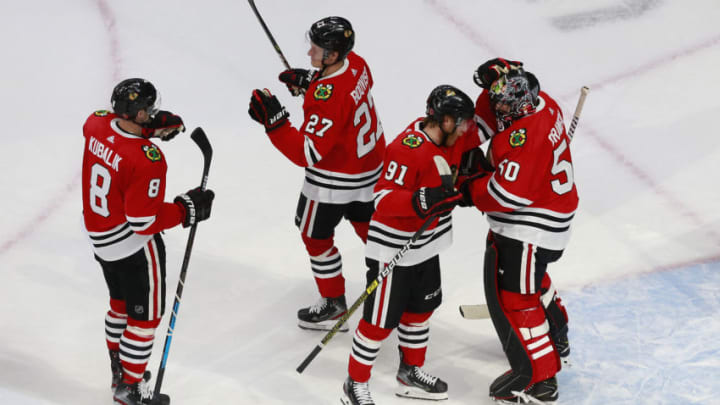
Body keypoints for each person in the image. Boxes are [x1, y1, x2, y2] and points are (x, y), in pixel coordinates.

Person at [341, 85, 477, 405]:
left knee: (420, 311)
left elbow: (480, 137)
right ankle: (354, 383)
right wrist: (423, 198)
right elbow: (382, 198)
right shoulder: (408, 148)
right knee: (378, 323)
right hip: (395, 249)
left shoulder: (451, 137)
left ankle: (410, 373)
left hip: (426, 245)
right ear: (443, 120)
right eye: (460, 123)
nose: (465, 130)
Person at [82, 78, 215, 405]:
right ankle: (130, 389)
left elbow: (118, 141)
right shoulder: (147, 159)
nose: (153, 114)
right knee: (145, 319)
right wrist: (186, 210)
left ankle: (119, 368)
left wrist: (147, 129)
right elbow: (144, 220)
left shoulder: (96, 123)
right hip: (134, 245)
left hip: (101, 238)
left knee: (120, 305)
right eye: (148, 110)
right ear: (139, 112)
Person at [248, 16, 385, 331]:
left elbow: (306, 152)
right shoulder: (359, 64)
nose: (310, 53)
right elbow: (344, 93)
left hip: (333, 182)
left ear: (333, 55)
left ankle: (334, 302)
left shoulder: (327, 98)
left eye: (317, 49)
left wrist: (276, 121)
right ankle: (400, 286)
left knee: (315, 235)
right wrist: (313, 80)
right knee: (373, 232)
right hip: (371, 169)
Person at [458, 59, 577, 404]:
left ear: (522, 103)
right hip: (553, 214)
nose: (499, 109)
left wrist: (469, 189)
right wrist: (501, 77)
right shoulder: (546, 103)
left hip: (530, 228)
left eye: (506, 104)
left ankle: (541, 380)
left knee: (518, 299)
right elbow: (494, 115)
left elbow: (505, 195)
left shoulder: (525, 137)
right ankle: (558, 335)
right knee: (532, 282)